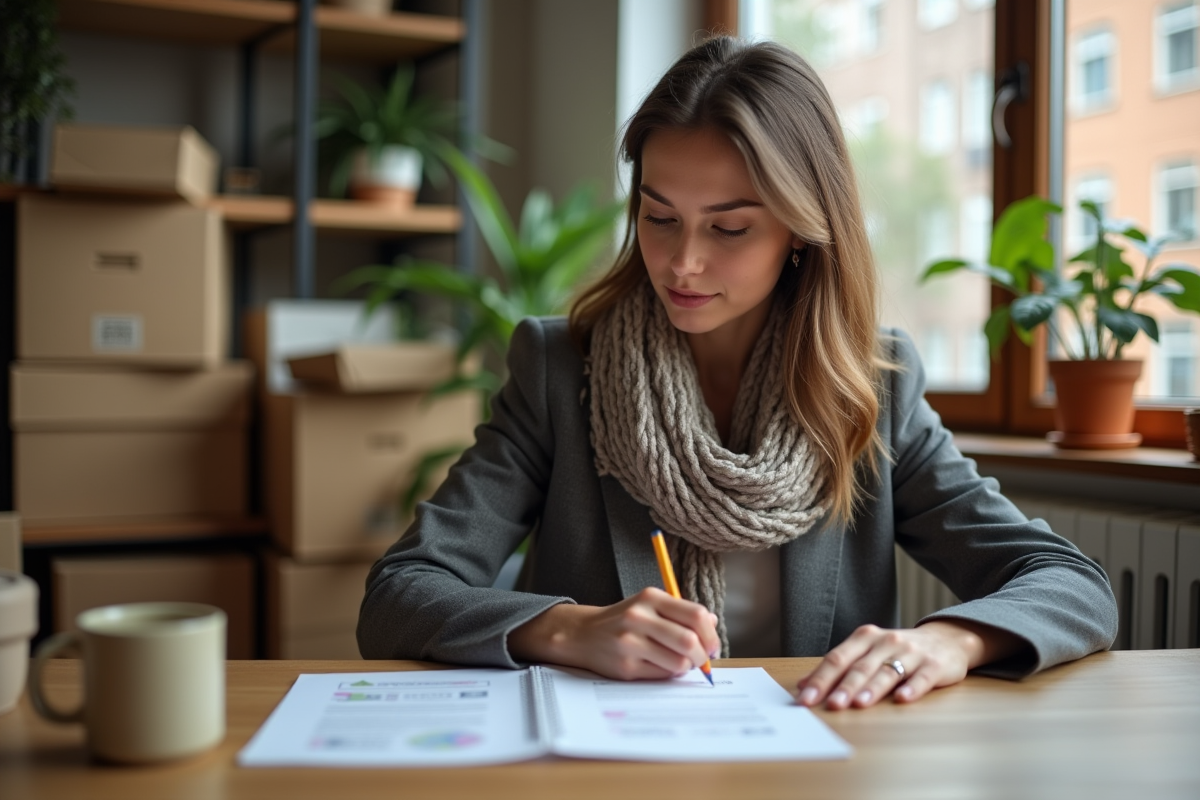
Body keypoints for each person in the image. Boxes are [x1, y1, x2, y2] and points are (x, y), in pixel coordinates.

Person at [357, 36, 1117, 710]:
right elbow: (398, 597)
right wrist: (570, 629)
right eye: (659, 218)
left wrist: (951, 641)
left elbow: (1071, 585)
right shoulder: (562, 369)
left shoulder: (872, 390)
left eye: (729, 227)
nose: (683, 262)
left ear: (801, 228)